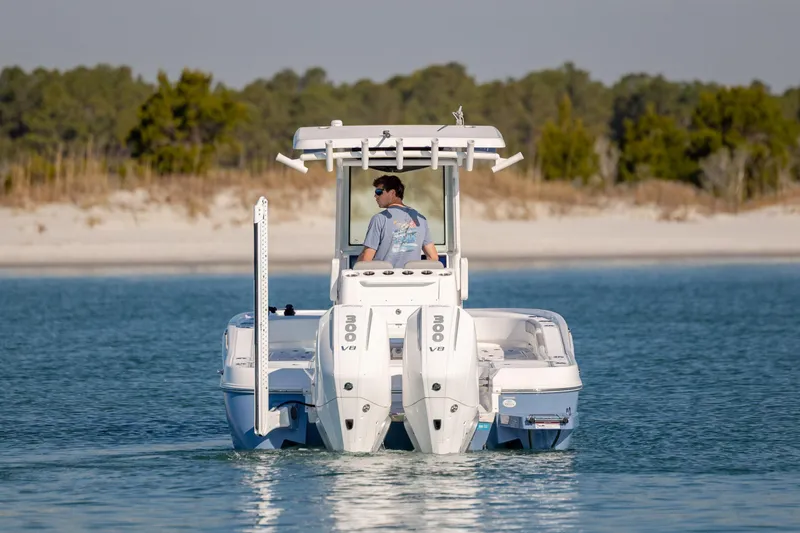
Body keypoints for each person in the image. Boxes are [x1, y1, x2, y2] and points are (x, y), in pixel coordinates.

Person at [356, 174, 439, 268]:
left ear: (392, 193)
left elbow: (366, 259)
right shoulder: (421, 219)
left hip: (384, 279)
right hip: (412, 279)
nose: (375, 196)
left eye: (378, 191)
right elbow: (433, 257)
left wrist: (354, 268)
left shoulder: (379, 219)